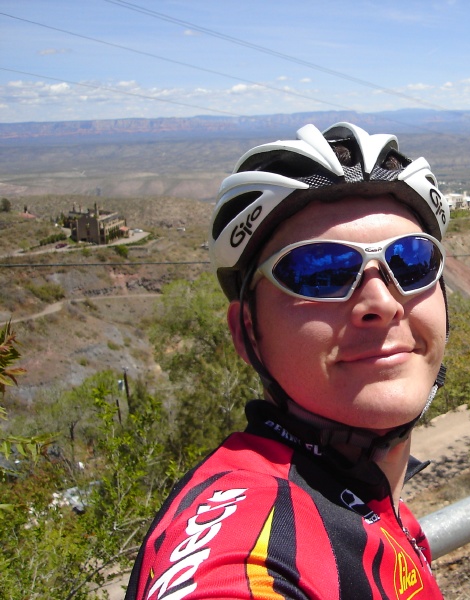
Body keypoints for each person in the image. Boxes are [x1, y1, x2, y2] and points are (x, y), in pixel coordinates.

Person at [125, 122, 450, 600]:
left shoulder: (375, 506)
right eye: (319, 272)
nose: (381, 302)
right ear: (247, 331)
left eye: (412, 261)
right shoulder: (252, 538)